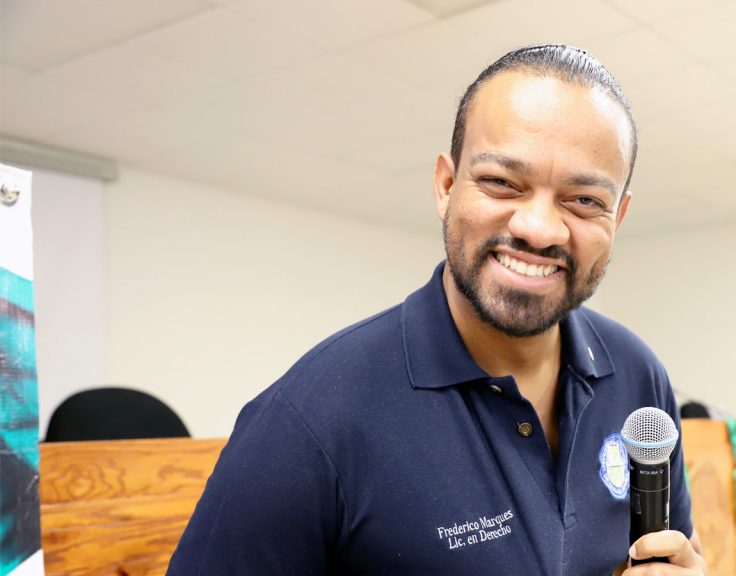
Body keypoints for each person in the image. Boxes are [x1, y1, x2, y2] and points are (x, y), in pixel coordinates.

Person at [168, 44, 707, 576]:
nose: (540, 229)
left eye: (584, 200)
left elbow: (677, 547)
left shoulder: (637, 373)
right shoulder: (308, 421)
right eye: (501, 183)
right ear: (446, 186)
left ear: (618, 217)